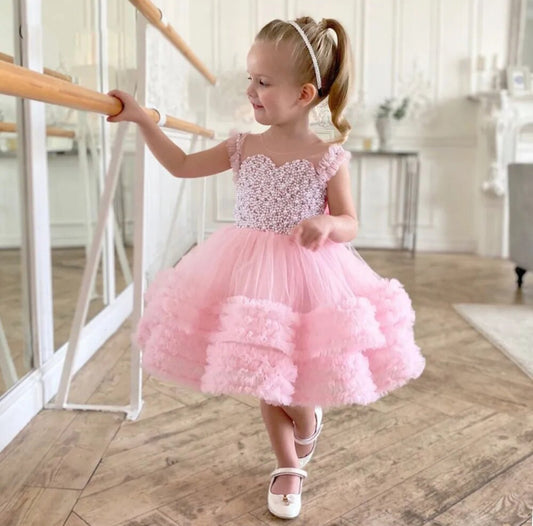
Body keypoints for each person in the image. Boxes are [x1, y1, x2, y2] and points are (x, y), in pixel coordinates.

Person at [107, 16, 425, 520]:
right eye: (250, 78)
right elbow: (182, 166)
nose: (250, 90)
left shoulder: (327, 156)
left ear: (303, 94)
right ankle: (288, 466)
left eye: (263, 82)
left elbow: (350, 222)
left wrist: (327, 225)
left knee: (294, 377)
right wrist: (144, 119)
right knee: (266, 374)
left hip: (309, 273)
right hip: (247, 271)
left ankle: (306, 424)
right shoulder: (242, 147)